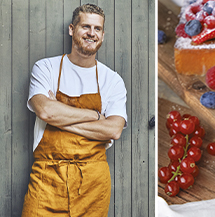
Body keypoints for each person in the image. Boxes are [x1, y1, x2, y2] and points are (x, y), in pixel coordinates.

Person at [21, 3, 127, 216]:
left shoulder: (112, 80)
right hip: (47, 178)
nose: (91, 33)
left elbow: (113, 130)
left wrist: (60, 117)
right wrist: (95, 116)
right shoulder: (45, 68)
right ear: (72, 29)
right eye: (85, 26)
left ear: (103, 35)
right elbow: (46, 112)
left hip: (93, 183)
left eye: (97, 29)